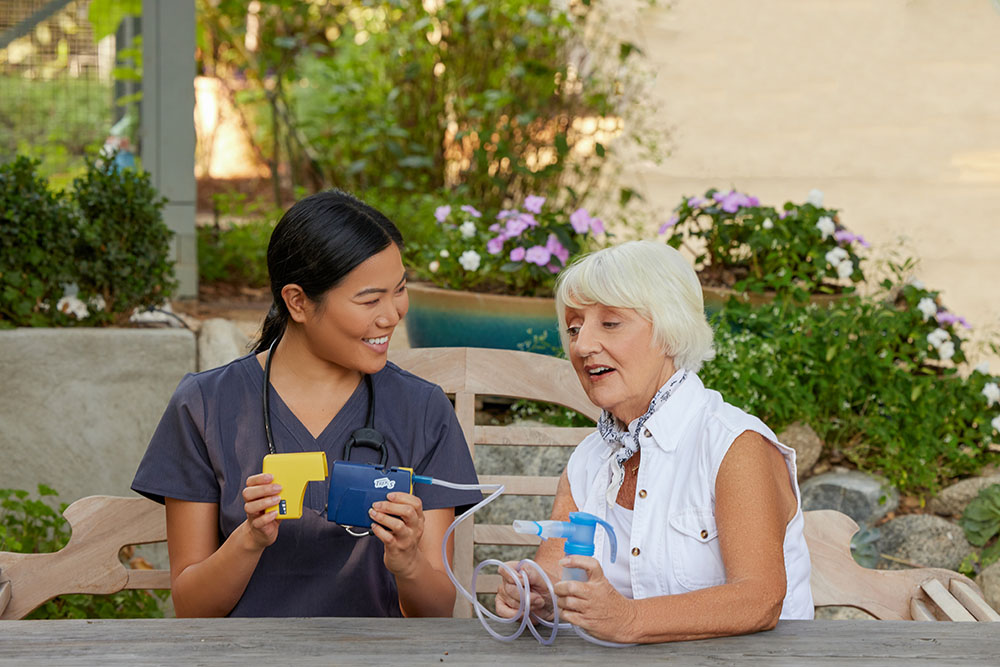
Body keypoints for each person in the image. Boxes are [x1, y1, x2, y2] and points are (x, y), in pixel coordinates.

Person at [132, 190, 480, 618]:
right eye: (370, 300)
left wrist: (408, 562)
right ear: (297, 301)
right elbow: (191, 608)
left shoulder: (422, 410)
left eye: (400, 290)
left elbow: (437, 612)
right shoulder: (205, 406)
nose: (392, 314)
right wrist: (250, 539)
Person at [494, 240, 813, 642]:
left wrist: (628, 619)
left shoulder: (734, 445)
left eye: (610, 323)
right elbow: (557, 575)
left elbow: (758, 599)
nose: (582, 345)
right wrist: (535, 597)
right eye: (574, 328)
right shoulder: (589, 460)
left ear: (669, 330)